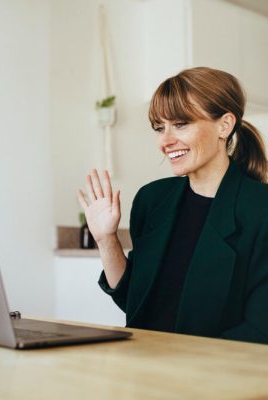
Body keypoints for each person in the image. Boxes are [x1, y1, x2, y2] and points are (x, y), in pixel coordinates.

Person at [77, 66, 268, 344]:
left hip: (217, 378)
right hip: (147, 369)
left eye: (180, 124)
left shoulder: (260, 209)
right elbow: (136, 303)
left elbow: (260, 330)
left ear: (224, 125)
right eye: (159, 128)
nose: (165, 141)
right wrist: (106, 239)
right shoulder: (152, 200)